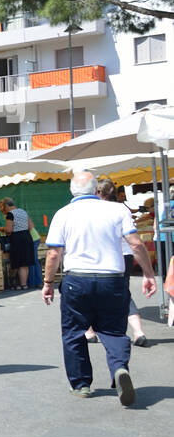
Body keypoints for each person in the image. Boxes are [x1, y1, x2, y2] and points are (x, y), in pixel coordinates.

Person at [43, 171, 157, 405]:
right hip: (112, 279)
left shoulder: (63, 214)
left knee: (74, 332)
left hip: (77, 280)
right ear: (97, 190)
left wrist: (47, 283)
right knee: (113, 330)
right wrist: (148, 273)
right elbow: (135, 244)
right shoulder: (117, 210)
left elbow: (54, 253)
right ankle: (119, 369)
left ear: (71, 190)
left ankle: (82, 384)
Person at [90, 180, 150, 347]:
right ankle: (138, 331)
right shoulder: (122, 208)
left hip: (102, 256)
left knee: (93, 293)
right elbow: (134, 241)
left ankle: (90, 331)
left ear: (97, 192)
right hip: (125, 255)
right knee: (124, 293)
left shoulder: (92, 209)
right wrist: (148, 272)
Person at [0, 197, 34, 290]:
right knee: (25, 263)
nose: (3, 210)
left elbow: (9, 230)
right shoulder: (23, 211)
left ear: (6, 206)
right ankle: (24, 283)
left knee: (19, 263)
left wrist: (2, 228)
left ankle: (22, 284)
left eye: (3, 208)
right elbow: (31, 226)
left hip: (18, 239)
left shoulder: (10, 214)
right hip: (27, 236)